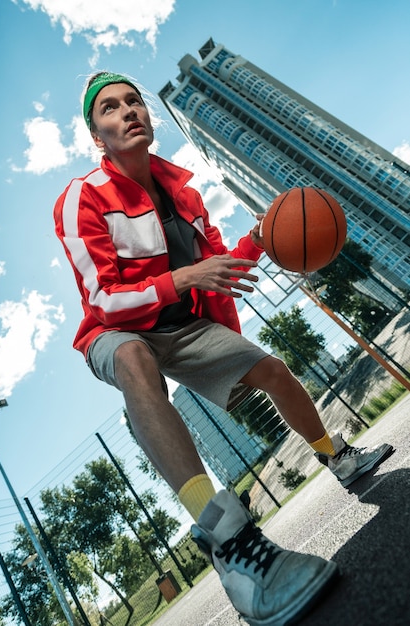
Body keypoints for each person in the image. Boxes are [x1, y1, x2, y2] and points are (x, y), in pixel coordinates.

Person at [54, 72, 393, 625]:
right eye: (110, 109)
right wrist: (186, 278)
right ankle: (227, 538)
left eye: (134, 101)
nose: (128, 111)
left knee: (275, 371)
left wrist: (256, 242)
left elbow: (219, 268)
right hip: (116, 331)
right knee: (136, 362)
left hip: (182, 326)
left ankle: (338, 457)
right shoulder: (82, 196)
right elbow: (104, 299)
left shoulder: (184, 194)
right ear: (98, 136)